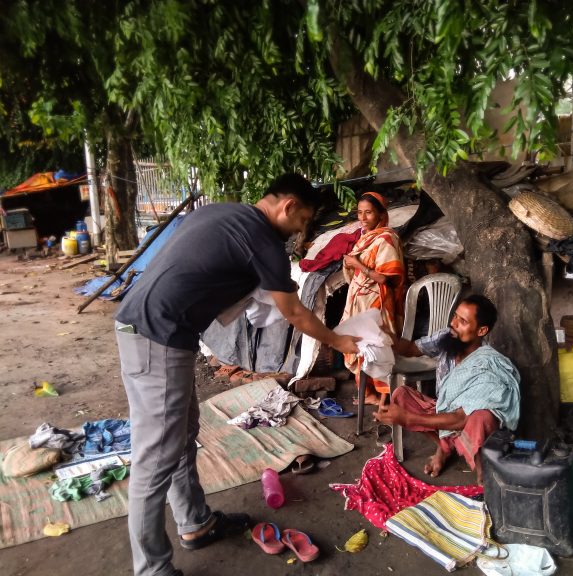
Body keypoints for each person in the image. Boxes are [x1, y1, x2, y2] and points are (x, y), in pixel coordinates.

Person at [114, 173, 359, 576]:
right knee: (155, 457)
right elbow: (294, 312)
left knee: (182, 432)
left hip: (156, 331)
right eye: (302, 222)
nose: (301, 233)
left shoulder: (225, 214)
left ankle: (194, 522)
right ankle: (151, 569)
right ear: (289, 206)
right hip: (155, 336)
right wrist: (341, 341)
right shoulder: (263, 240)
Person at [373, 294, 520, 484]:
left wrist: (407, 418)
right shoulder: (447, 337)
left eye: (463, 321)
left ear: (481, 330)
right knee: (401, 395)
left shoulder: (487, 364)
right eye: (455, 316)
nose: (454, 323)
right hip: (444, 411)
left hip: (466, 420)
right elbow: (410, 348)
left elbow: (462, 418)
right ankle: (443, 447)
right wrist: (386, 337)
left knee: (482, 417)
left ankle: (483, 471)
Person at [340, 191, 406, 407]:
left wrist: (357, 264)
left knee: (377, 347)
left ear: (380, 214)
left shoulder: (387, 238)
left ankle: (385, 399)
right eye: (360, 213)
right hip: (360, 301)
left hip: (376, 302)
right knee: (359, 347)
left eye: (368, 213)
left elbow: (385, 278)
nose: (363, 218)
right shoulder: (364, 238)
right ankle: (367, 393)